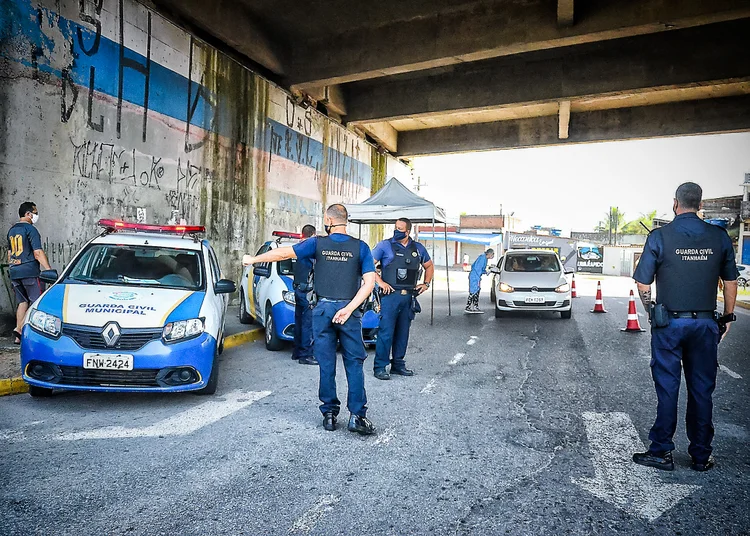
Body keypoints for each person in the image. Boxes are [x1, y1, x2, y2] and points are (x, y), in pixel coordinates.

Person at [243, 204, 377, 435]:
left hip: (323, 310)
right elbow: (369, 284)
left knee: (326, 364)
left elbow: (283, 253)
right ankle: (357, 416)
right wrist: (348, 309)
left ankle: (329, 415)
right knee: (354, 363)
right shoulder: (361, 247)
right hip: (350, 312)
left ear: (328, 219)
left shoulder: (317, 243)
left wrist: (253, 259)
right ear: (346, 220)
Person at [632, 182, 737, 472]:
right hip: (705, 324)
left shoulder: (660, 236)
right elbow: (731, 281)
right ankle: (701, 456)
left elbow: (643, 282)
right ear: (700, 204)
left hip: (670, 323)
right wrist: (727, 317)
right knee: (702, 390)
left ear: (675, 203)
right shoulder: (719, 237)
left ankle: (661, 452)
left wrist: (652, 313)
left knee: (668, 388)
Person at [371, 218, 434, 380]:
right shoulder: (385, 246)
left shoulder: (418, 248)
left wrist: (426, 284)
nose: (396, 231)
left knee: (403, 333)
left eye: (400, 229)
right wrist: (380, 282)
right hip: (390, 296)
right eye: (395, 228)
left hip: (408, 298)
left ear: (407, 231)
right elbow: (368, 265)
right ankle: (380, 367)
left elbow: (429, 266)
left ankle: (398, 364)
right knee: (386, 333)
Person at [7, 202, 51, 344]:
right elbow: (37, 253)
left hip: (14, 271)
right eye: (35, 212)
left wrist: (13, 267)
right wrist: (49, 270)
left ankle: (17, 338)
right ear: (28, 214)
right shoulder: (31, 230)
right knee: (36, 302)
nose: (36, 216)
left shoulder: (12, 230)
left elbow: (9, 254)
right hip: (29, 271)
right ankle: (20, 329)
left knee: (22, 302)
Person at [292, 224, 317, 365]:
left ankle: (296, 352)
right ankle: (306, 355)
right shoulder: (309, 249)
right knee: (308, 324)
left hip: (298, 289)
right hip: (307, 291)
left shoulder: (298, 248)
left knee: (299, 322)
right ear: (313, 234)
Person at [465, 249, 495, 313]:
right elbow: (478, 269)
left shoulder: (484, 258)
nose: (493, 255)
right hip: (475, 277)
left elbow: (481, 269)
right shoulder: (482, 258)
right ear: (489, 254)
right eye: (493, 254)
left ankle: (475, 307)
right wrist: (485, 272)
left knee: (477, 291)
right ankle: (468, 307)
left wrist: (486, 271)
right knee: (473, 291)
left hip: (476, 276)